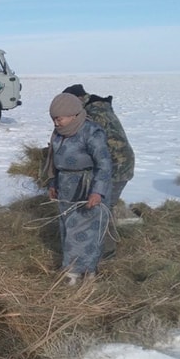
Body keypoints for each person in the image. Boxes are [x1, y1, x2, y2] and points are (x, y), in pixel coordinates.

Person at [44, 93, 113, 285]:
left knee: (83, 230)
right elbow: (54, 161)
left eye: (59, 118)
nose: (56, 123)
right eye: (53, 119)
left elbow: (105, 164)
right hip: (66, 187)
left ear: (74, 115)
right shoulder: (59, 134)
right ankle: (84, 271)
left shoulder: (92, 132)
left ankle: (74, 273)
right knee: (67, 228)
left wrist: (97, 191)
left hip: (87, 186)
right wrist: (53, 183)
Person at [62, 83, 136, 258]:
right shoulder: (98, 107)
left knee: (100, 209)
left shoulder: (92, 114)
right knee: (104, 207)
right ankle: (108, 244)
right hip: (121, 163)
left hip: (115, 167)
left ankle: (107, 252)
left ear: (78, 99)